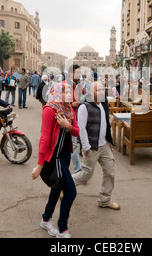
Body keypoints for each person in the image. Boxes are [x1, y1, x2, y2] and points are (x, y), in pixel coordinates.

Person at [31, 81, 79, 238]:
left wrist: (68, 125)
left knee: (57, 187)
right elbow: (44, 138)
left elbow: (76, 132)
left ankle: (45, 218)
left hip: (66, 156)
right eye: (65, 92)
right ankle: (62, 228)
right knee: (70, 192)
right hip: (55, 158)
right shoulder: (49, 111)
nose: (69, 95)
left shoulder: (69, 110)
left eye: (70, 92)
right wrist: (39, 165)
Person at [72, 81, 120, 210]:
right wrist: (86, 147)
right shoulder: (85, 106)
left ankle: (105, 200)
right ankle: (64, 185)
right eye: (97, 90)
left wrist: (109, 141)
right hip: (92, 147)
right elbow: (81, 128)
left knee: (110, 172)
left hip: (104, 146)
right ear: (91, 92)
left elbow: (106, 124)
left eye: (102, 90)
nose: (101, 92)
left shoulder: (103, 104)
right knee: (85, 175)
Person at [67, 65, 84, 174]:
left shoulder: (78, 86)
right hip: (68, 118)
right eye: (77, 73)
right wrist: (71, 104)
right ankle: (78, 169)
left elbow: (83, 96)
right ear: (70, 74)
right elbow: (58, 103)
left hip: (78, 117)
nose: (79, 75)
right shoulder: (65, 86)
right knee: (73, 144)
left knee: (73, 143)